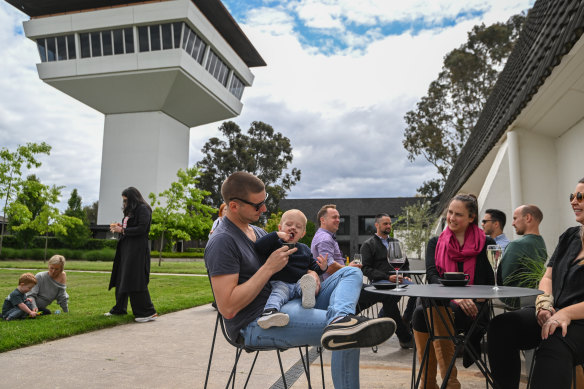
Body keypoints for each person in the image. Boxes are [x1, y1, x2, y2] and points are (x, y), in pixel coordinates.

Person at [205, 172, 396, 389]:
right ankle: (342, 324)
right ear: (234, 205)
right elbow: (227, 307)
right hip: (256, 321)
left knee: (351, 274)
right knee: (351, 335)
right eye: (258, 206)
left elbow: (293, 263)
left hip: (290, 300)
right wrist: (268, 268)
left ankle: (340, 318)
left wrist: (312, 273)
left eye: (264, 202)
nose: (264, 209)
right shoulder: (222, 242)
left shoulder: (257, 232)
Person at [487, 178, 584, 389]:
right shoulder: (570, 236)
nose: (573, 202)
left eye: (580, 197)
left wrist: (565, 314)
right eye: (572, 196)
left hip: (579, 319)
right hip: (553, 310)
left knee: (554, 339)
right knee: (501, 327)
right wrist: (544, 304)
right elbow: (548, 277)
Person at [412, 194, 495, 388]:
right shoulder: (435, 243)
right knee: (429, 310)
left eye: (458, 214)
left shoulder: (486, 243)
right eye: (450, 212)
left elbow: (492, 281)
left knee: (421, 313)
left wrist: (470, 298)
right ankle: (449, 383)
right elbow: (432, 277)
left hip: (473, 310)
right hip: (443, 305)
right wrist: (456, 297)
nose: (451, 218)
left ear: (471, 217)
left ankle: (431, 384)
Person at [254, 209, 328, 329]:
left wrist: (322, 267)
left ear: (302, 233)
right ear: (280, 227)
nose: (293, 228)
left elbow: (313, 267)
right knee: (279, 293)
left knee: (306, 283)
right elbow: (258, 246)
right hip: (280, 282)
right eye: (288, 225)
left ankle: (307, 297)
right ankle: (269, 313)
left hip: (298, 283)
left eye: (298, 227)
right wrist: (276, 235)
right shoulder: (274, 244)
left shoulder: (304, 249)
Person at [361, 213, 415, 348]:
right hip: (381, 282)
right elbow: (365, 269)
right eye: (385, 224)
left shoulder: (396, 243)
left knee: (418, 291)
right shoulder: (368, 245)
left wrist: (406, 275)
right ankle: (405, 338)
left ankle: (406, 319)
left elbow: (405, 263)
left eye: (390, 223)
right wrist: (387, 277)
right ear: (377, 225)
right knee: (390, 299)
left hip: (400, 279)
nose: (389, 226)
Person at [106, 187, 157, 323]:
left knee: (135, 277)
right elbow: (129, 228)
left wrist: (122, 230)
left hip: (137, 250)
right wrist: (120, 226)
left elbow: (142, 228)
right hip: (126, 248)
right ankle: (119, 308)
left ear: (133, 198)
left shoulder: (143, 209)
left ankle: (147, 312)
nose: (124, 202)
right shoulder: (131, 210)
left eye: (126, 200)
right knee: (122, 276)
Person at [498, 205, 547, 308]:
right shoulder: (541, 244)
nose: (513, 223)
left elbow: (501, 279)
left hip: (513, 301)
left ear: (528, 218)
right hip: (533, 300)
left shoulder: (517, 245)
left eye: (515, 218)